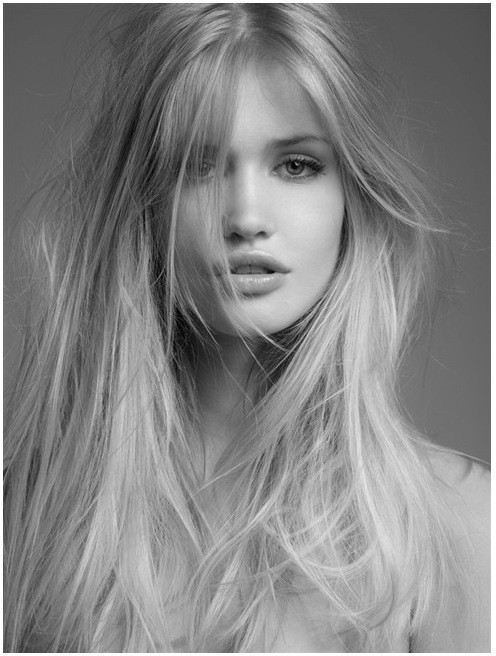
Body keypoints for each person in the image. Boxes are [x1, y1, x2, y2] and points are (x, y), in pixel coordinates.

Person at [3, 4, 490, 653]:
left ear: (354, 199)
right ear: (140, 205)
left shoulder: (459, 527)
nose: (246, 217)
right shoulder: (26, 519)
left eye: (296, 165)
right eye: (197, 166)